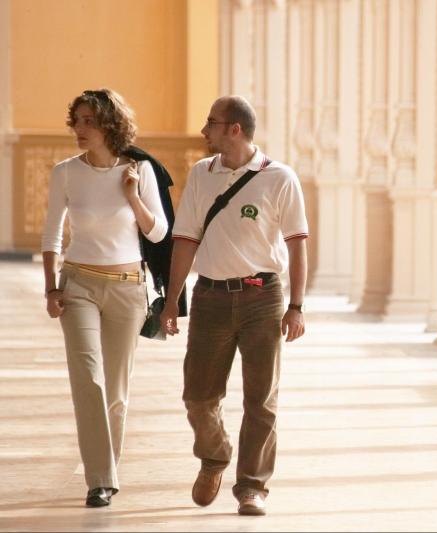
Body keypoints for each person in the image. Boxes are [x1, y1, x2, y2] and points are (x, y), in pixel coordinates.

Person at [159, 95, 308, 516]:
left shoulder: (280, 178)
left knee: (262, 399)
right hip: (209, 298)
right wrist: (172, 301)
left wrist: (296, 306)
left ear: (234, 129)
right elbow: (185, 238)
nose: (204, 130)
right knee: (198, 396)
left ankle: (252, 486)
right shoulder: (201, 175)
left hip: (264, 298)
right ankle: (214, 455)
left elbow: (298, 247)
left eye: (211, 122)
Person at [41, 88, 168, 507]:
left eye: (88, 121)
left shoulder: (139, 170)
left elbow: (158, 232)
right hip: (77, 285)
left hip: (128, 288)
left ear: (110, 125)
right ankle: (100, 478)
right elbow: (53, 234)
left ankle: (106, 470)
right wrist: (51, 286)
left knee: (116, 388)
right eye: (76, 120)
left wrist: (132, 194)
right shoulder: (65, 172)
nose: (79, 129)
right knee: (88, 378)